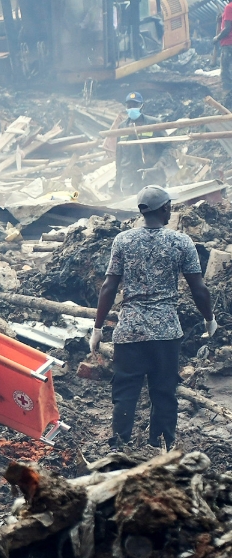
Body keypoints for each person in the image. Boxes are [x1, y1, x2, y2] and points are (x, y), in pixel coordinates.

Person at [91, 185, 216, 450]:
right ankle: (162, 444)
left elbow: (109, 287)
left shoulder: (123, 240)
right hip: (166, 333)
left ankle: (119, 445)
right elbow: (198, 287)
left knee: (125, 391)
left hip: (130, 331)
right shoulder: (181, 242)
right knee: (164, 392)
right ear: (166, 208)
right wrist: (209, 319)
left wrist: (98, 328)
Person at [112, 92, 164, 195]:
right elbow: (119, 155)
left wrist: (161, 163)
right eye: (129, 106)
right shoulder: (122, 127)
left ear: (141, 106)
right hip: (129, 176)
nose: (132, 108)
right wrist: (118, 180)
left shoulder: (153, 123)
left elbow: (168, 147)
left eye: (135, 105)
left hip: (150, 174)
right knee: (129, 206)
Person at [216, 2, 232, 92]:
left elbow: (227, 29)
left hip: (228, 43)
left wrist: (217, 38)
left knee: (226, 74)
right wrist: (221, 19)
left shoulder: (229, 7)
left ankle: (228, 97)